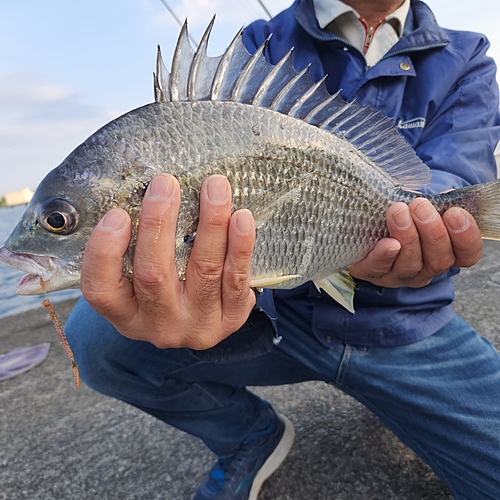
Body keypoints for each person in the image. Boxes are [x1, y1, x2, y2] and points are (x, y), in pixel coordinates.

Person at [65, 0, 500, 499]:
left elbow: (459, 173)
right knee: (96, 338)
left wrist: (425, 231)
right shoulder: (256, 46)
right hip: (277, 322)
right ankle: (250, 435)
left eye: (60, 222)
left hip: (405, 324)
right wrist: (211, 305)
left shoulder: (467, 56)